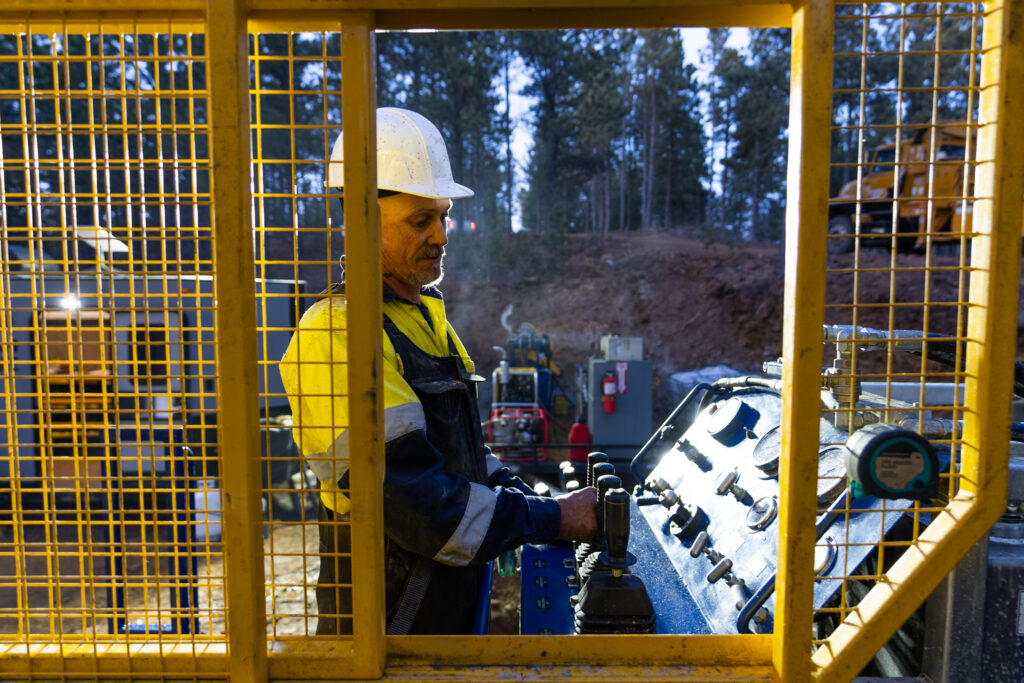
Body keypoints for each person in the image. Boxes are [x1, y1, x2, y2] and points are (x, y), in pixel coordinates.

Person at [279, 107, 597, 635]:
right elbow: (412, 501)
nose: (442, 235)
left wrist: (534, 505)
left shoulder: (424, 320)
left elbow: (464, 455)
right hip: (387, 634)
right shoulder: (335, 334)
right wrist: (552, 519)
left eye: (443, 216)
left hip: (445, 618)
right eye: (420, 220)